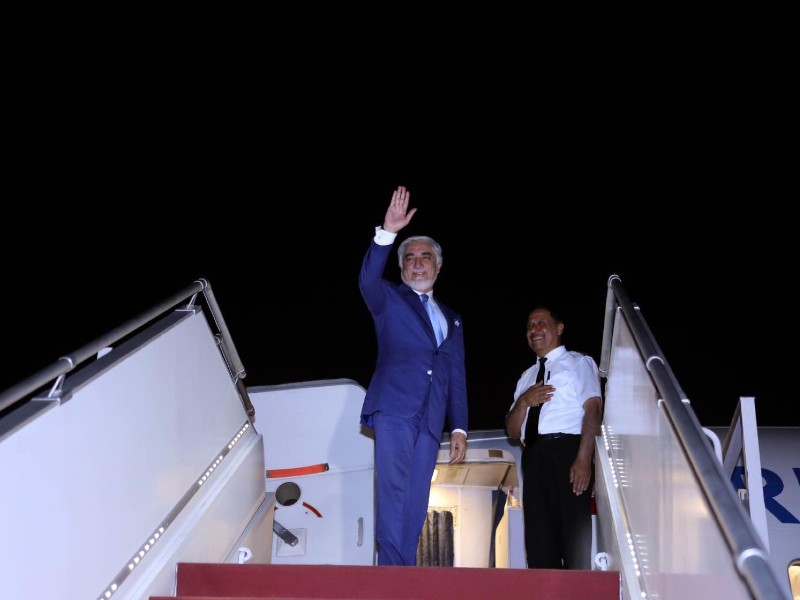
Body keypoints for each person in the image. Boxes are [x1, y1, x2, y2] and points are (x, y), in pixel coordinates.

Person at [359, 184, 468, 566]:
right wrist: (387, 233)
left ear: (439, 266)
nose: (417, 263)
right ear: (401, 267)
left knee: (417, 496)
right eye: (410, 258)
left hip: (431, 420)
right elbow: (367, 280)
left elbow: (456, 374)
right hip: (394, 407)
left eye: (425, 257)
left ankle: (403, 570)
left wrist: (459, 428)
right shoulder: (387, 298)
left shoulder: (452, 318)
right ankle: (390, 574)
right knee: (393, 490)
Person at [504, 305, 602, 570]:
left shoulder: (578, 363)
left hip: (567, 451)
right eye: (529, 325)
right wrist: (523, 402)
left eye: (541, 323)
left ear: (559, 328)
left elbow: (593, 410)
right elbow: (512, 431)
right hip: (533, 456)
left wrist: (584, 458)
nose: (534, 329)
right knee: (538, 542)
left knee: (572, 538)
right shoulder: (525, 378)